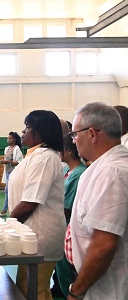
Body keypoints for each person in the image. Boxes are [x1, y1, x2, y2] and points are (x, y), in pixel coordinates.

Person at [66, 102, 128, 300]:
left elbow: (104, 245)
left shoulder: (112, 173)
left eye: (75, 134)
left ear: (92, 134)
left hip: (108, 288)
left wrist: (77, 291)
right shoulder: (102, 168)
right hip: (97, 281)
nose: (74, 141)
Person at [8, 110, 65, 300]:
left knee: (35, 291)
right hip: (30, 233)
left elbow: (29, 203)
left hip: (40, 236)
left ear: (43, 131)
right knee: (26, 288)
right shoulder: (34, 156)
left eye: (28, 127)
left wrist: (5, 226)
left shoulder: (45, 158)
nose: (23, 132)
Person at [53, 133, 86, 297]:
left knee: (67, 267)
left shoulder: (79, 173)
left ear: (67, 150)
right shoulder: (66, 169)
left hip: (68, 224)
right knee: (60, 266)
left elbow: (67, 206)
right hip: (61, 224)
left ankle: (69, 293)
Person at [0, 131, 23, 215]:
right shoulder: (6, 149)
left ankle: (6, 210)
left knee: (9, 191)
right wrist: (4, 162)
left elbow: (20, 162)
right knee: (8, 191)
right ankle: (7, 209)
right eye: (7, 138)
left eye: (10, 138)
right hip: (8, 172)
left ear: (14, 140)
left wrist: (9, 162)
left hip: (14, 173)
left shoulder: (17, 149)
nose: (8, 140)